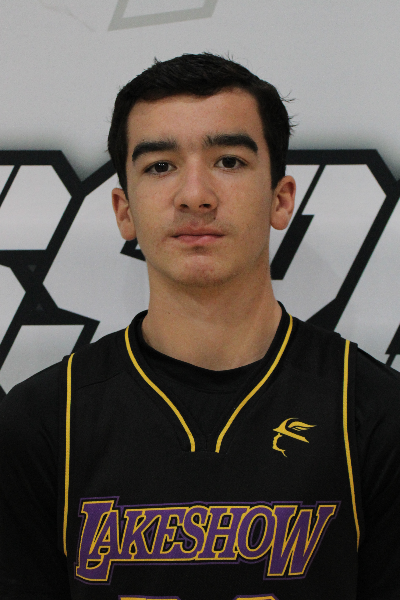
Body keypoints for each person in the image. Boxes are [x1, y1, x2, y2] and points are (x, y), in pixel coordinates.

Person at [0, 53, 399, 600]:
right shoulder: (42, 420)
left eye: (229, 161)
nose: (195, 195)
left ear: (281, 199)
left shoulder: (374, 412)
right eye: (159, 166)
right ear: (124, 210)